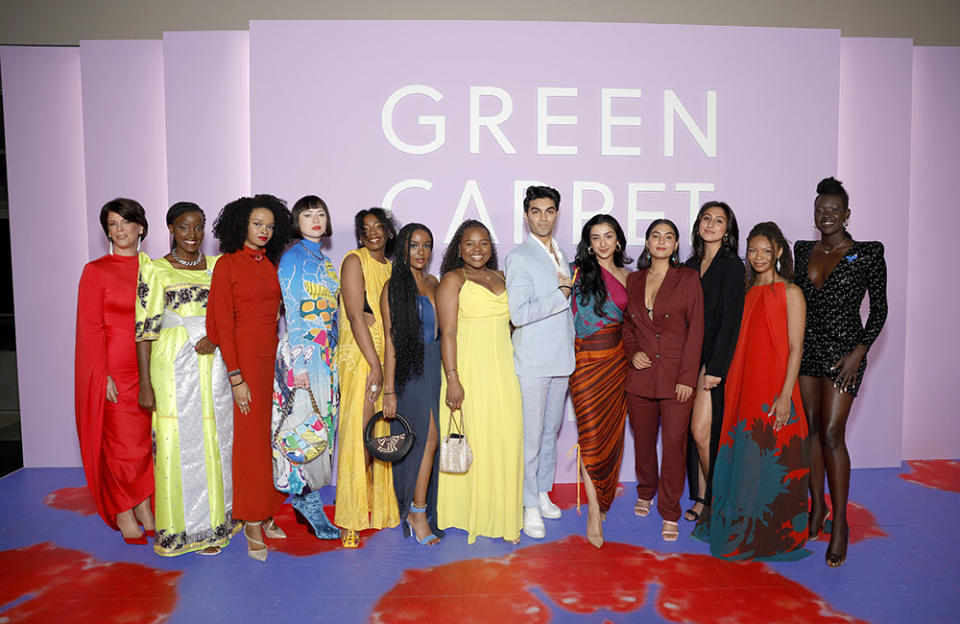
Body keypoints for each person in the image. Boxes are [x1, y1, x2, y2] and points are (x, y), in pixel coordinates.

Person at [694, 222, 810, 561]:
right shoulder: (745, 292)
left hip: (775, 384)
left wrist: (785, 394)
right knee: (746, 454)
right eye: (752, 250)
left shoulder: (790, 292)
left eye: (765, 250)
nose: (758, 256)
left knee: (773, 454)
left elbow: (796, 347)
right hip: (743, 383)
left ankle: (771, 531)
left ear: (778, 252)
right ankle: (742, 522)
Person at [135, 202, 240, 556]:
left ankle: (218, 522)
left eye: (198, 227)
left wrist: (219, 336)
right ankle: (188, 529)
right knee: (181, 443)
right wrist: (146, 384)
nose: (192, 235)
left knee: (218, 438)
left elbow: (231, 313)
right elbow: (145, 331)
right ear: (170, 229)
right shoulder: (155, 269)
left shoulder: (218, 266)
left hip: (215, 360)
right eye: (183, 227)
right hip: (174, 362)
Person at [795, 177, 887, 567]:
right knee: (812, 429)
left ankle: (841, 525)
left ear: (847, 214)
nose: (826, 214)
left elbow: (880, 309)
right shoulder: (802, 251)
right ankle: (817, 510)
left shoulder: (867, 253)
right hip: (806, 353)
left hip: (843, 355)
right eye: (820, 209)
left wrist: (859, 352)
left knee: (833, 433)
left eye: (834, 209)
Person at [207, 194, 292, 562]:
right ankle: (252, 520)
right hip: (245, 361)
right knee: (250, 443)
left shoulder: (271, 264)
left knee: (271, 438)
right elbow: (222, 323)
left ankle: (268, 508)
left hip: (272, 358)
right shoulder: (228, 265)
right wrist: (236, 376)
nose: (264, 231)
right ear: (242, 224)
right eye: (258, 224)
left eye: (270, 226)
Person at [436, 220, 523, 544]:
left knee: (505, 440)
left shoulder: (502, 277)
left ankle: (503, 516)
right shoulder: (453, 279)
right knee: (475, 442)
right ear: (458, 248)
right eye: (469, 243)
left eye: (484, 243)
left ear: (492, 247)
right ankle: (466, 514)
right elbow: (448, 333)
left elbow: (514, 325)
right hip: (468, 373)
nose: (477, 249)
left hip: (503, 372)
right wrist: (453, 379)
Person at [75, 198, 155, 544]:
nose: (119, 230)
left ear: (141, 227)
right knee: (123, 444)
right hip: (114, 370)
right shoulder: (96, 270)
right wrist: (101, 373)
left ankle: (145, 506)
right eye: (112, 224)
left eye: (125, 223)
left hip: (150, 366)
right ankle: (125, 511)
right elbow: (89, 327)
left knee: (146, 442)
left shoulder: (154, 268)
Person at [623, 219, 704, 542]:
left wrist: (687, 378)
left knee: (673, 446)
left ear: (675, 245)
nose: (661, 241)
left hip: (676, 378)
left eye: (668, 237)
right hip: (640, 376)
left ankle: (669, 510)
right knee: (643, 443)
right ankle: (646, 490)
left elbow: (696, 330)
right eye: (655, 235)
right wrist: (632, 352)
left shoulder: (688, 278)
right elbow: (627, 326)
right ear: (646, 243)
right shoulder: (634, 280)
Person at [504, 185, 575, 540]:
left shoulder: (561, 254)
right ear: (526, 215)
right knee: (531, 438)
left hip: (560, 360)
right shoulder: (519, 257)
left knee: (550, 433)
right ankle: (528, 504)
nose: (543, 217)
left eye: (549, 211)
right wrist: (560, 295)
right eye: (536, 211)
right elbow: (518, 313)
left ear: (556, 214)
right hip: (531, 362)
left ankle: (542, 492)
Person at [271, 195, 341, 540]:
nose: (316, 219)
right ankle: (306, 502)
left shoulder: (325, 262)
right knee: (304, 431)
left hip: (327, 357)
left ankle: (307, 500)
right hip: (305, 358)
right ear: (296, 221)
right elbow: (295, 314)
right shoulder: (293, 259)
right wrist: (298, 366)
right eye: (308, 214)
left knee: (322, 432)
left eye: (321, 213)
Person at [334, 208, 401, 547]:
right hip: (360, 359)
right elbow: (356, 315)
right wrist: (374, 365)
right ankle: (350, 518)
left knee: (379, 434)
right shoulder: (353, 260)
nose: (373, 233)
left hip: (382, 358)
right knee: (357, 434)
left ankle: (377, 508)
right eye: (366, 229)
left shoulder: (391, 268)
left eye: (379, 227)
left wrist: (387, 367)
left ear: (389, 232)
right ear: (359, 235)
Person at [569, 214, 631, 548]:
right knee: (591, 436)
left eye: (609, 236)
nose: (603, 243)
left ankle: (603, 499)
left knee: (611, 436)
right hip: (584, 365)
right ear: (589, 244)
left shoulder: (631, 277)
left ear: (618, 241)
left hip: (617, 363)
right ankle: (594, 512)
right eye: (596, 237)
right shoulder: (578, 273)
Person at [381, 223, 444, 546]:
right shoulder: (393, 287)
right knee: (426, 436)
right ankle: (416, 511)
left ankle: (423, 506)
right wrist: (389, 389)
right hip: (412, 368)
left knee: (433, 437)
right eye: (414, 245)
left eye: (427, 245)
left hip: (438, 364)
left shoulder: (434, 282)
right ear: (403, 249)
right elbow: (391, 342)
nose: (421, 252)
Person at [683, 202, 745, 523]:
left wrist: (716, 369)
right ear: (698, 225)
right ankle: (703, 499)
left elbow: (731, 321)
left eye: (719, 220)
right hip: (689, 359)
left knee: (701, 430)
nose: (711, 224)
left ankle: (722, 500)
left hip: (714, 361)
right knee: (700, 437)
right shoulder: (689, 265)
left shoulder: (733, 266)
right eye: (706, 219)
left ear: (727, 229)